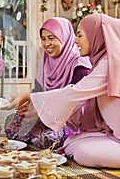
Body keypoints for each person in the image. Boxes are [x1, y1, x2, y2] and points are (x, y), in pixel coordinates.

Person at [15, 13, 120, 168]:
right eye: (43, 38)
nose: (75, 41)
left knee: (81, 152)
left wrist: (33, 100)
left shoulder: (110, 64)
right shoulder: (101, 62)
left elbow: (75, 93)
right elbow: (78, 99)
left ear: (96, 35)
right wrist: (37, 108)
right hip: (113, 133)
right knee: (71, 143)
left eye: (80, 35)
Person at [4, 17, 92, 149]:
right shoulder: (46, 61)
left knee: (49, 138)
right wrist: (29, 107)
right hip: (45, 116)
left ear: (65, 37)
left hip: (69, 120)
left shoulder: (79, 66)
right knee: (11, 123)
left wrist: (43, 111)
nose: (46, 44)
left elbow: (80, 104)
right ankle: (34, 136)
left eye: (52, 38)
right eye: (43, 39)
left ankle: (41, 138)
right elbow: (38, 92)